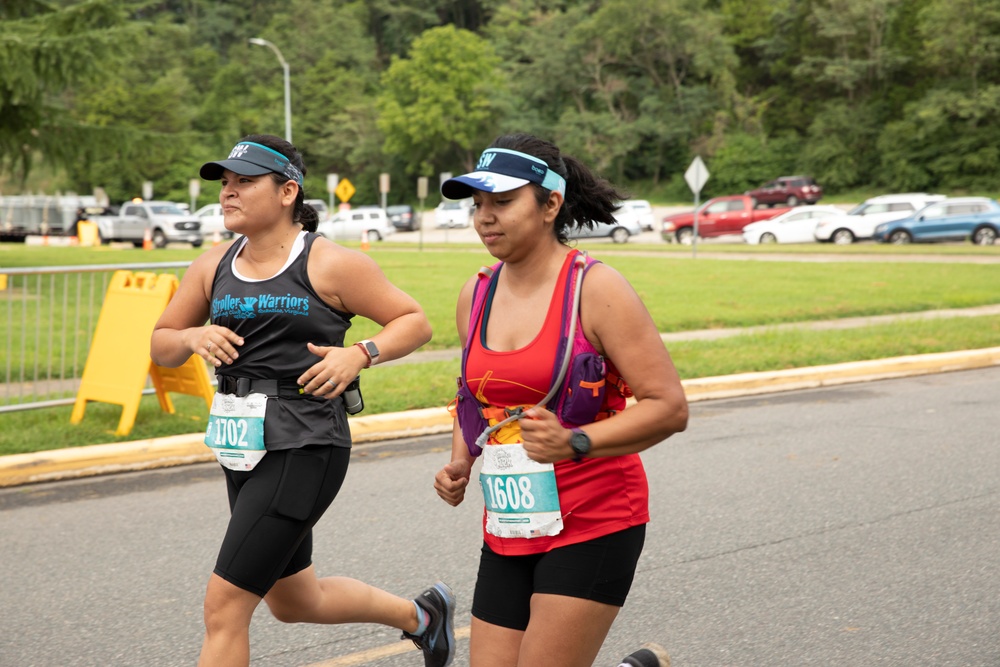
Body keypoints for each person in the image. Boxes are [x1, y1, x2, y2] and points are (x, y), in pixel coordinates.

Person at [150, 134, 454, 667]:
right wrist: (193, 338)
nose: (228, 193)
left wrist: (359, 353)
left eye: (245, 182)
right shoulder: (212, 264)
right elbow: (162, 341)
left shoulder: (332, 264)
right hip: (240, 443)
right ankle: (422, 617)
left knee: (224, 606)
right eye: (225, 183)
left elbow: (414, 321)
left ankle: (424, 618)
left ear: (287, 190)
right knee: (293, 600)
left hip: (305, 443)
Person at [433, 134, 689, 667]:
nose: (485, 217)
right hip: (510, 521)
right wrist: (461, 459)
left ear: (551, 204)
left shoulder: (597, 289)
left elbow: (668, 405)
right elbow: (472, 396)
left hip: (597, 517)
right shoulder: (475, 292)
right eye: (477, 204)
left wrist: (576, 441)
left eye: (503, 202)